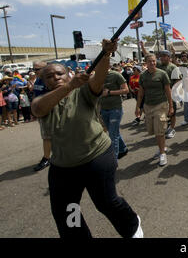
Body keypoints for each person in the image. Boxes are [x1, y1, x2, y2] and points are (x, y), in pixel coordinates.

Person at [31, 39, 143, 238]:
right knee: (67, 210)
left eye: (59, 73)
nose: (55, 77)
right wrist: (68, 86)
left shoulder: (83, 91)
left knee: (106, 203)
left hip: (96, 157)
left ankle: (132, 226)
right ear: (43, 81)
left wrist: (106, 54)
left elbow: (98, 79)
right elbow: (38, 109)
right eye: (49, 76)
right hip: (63, 165)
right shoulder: (43, 101)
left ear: (68, 74)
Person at [135, 53, 174, 166]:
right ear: (145, 63)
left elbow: (168, 91)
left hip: (161, 105)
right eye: (149, 61)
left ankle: (162, 153)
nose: (152, 63)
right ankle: (163, 147)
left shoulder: (162, 74)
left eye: (154, 61)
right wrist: (138, 107)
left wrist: (171, 106)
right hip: (148, 106)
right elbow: (141, 93)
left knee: (159, 130)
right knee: (153, 131)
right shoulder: (143, 76)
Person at [99, 64, 130, 160]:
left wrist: (109, 92)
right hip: (103, 109)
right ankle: (123, 149)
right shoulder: (96, 78)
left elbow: (126, 90)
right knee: (114, 132)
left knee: (112, 134)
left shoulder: (116, 75)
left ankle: (113, 159)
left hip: (115, 109)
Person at [32, 61, 53, 172]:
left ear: (45, 68)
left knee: (47, 136)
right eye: (34, 69)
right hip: (41, 112)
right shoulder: (38, 80)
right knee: (47, 136)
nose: (34, 71)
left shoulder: (49, 80)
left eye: (37, 69)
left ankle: (46, 158)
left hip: (49, 112)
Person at [157, 50, 181, 139]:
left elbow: (177, 81)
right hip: (160, 94)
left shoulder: (173, 67)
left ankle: (172, 129)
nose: (162, 58)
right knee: (162, 112)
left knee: (172, 112)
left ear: (169, 57)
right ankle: (165, 128)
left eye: (164, 56)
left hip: (170, 93)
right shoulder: (158, 66)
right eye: (161, 56)